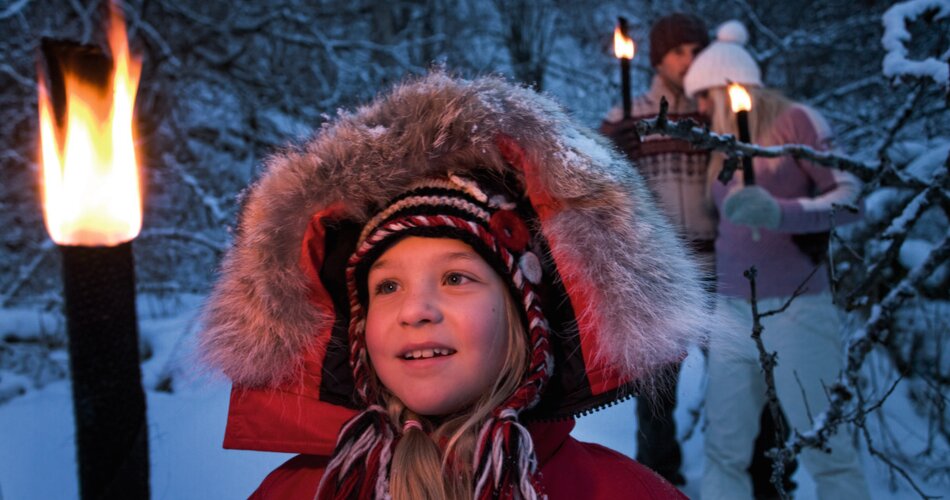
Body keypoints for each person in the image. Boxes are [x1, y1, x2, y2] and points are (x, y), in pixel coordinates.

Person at [199, 73, 712, 499]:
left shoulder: (617, 491)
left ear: (526, 319)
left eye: (454, 278)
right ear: (356, 331)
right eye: (387, 288)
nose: (416, 310)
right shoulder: (299, 492)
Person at [600, 13, 795, 495]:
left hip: (722, 267)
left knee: (747, 379)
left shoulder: (719, 111)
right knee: (654, 392)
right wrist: (610, 151)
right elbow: (594, 188)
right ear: (659, 59)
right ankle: (657, 483)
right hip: (659, 272)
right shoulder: (626, 118)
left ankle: (769, 478)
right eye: (679, 52)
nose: (690, 61)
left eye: (696, 50)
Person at [683, 21, 872, 499]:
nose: (699, 110)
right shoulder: (720, 146)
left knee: (825, 445)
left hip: (797, 309)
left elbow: (851, 198)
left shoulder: (797, 121)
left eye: (703, 98)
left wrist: (781, 212)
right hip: (730, 312)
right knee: (724, 448)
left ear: (728, 90)